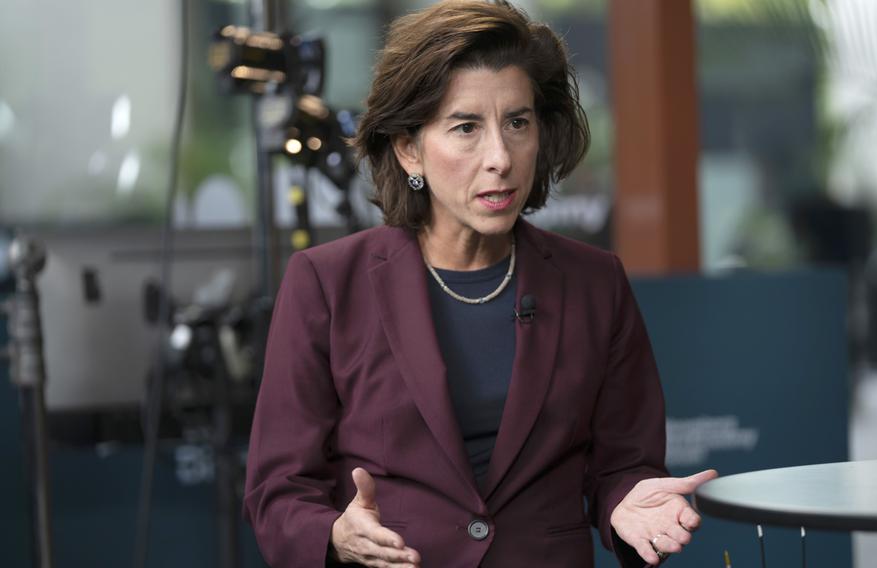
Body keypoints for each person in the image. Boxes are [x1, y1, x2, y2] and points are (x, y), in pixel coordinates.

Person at [243, 1, 717, 566]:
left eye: (517, 122)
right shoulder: (326, 284)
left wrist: (626, 503)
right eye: (466, 128)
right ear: (408, 147)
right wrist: (334, 534)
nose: (500, 157)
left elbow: (624, 465)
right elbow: (277, 491)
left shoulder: (596, 283)